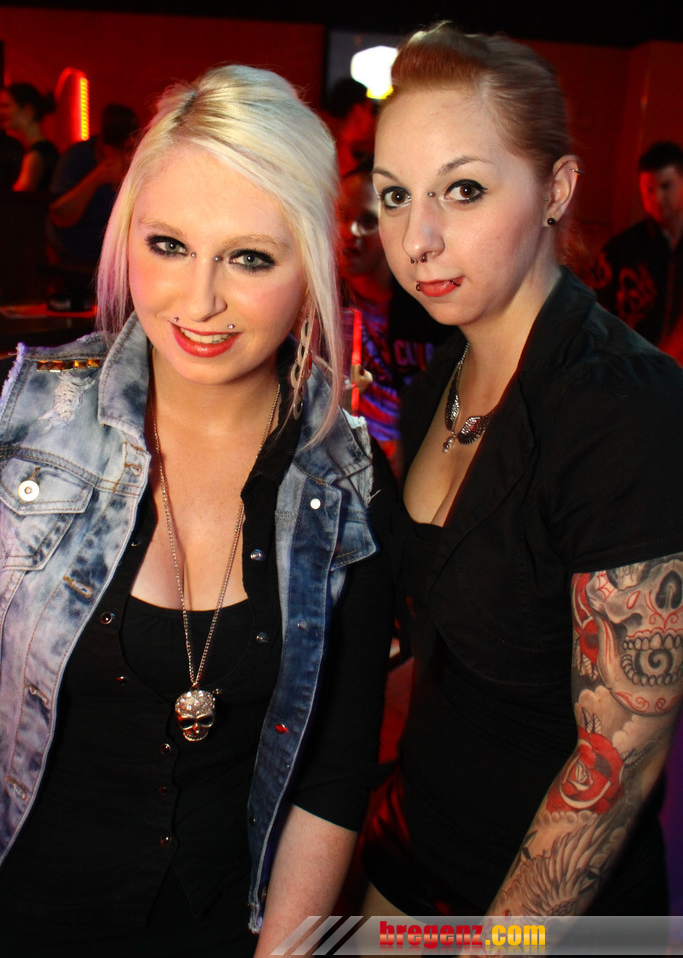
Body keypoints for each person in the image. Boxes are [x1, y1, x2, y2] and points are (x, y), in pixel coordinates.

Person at [0, 64, 393, 957]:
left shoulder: (347, 480)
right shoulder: (22, 424)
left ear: (311, 265)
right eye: (169, 245)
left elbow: (331, 778)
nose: (200, 300)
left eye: (249, 257)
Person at [360, 23, 683, 922]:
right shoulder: (439, 382)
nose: (417, 239)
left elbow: (614, 765)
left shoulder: (625, 410)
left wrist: (496, 944)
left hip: (542, 903)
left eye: (463, 190)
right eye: (394, 196)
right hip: (410, 833)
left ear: (556, 189)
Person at [338, 159, 449, 477]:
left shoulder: (435, 306)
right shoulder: (319, 304)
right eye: (342, 217)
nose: (350, 233)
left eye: (366, 221)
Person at [591, 141, 683, 350]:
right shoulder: (620, 251)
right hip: (630, 363)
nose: (657, 198)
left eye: (666, 186)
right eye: (649, 189)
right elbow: (593, 317)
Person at [47, 103, 139, 270]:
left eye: (131, 149)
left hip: (117, 258)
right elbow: (60, 216)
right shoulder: (76, 158)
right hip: (73, 255)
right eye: (121, 149)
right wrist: (96, 179)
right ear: (103, 144)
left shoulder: (139, 161)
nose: (126, 156)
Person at [0, 82, 58, 191]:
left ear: (27, 110)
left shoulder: (35, 155)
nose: (1, 112)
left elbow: (19, 197)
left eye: (6, 106)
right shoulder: (42, 150)